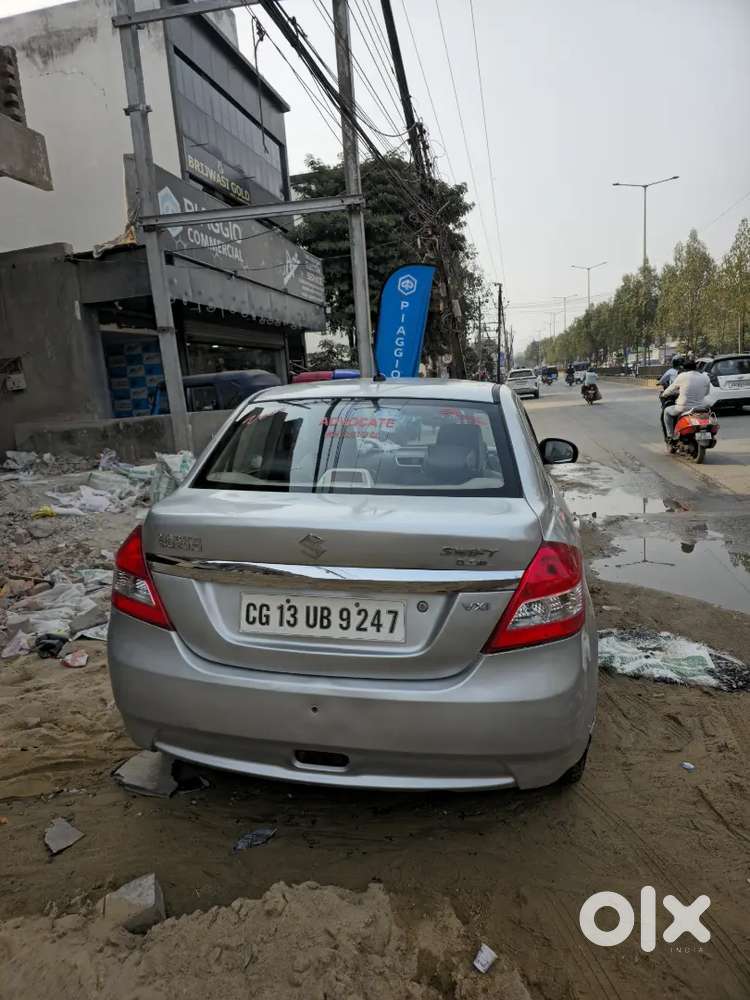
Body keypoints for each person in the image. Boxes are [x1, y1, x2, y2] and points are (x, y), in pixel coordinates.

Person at [660, 359, 711, 439]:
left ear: (684, 368)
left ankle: (671, 436)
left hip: (683, 408)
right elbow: (706, 393)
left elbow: (671, 389)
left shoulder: (682, 376)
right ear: (696, 367)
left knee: (666, 411)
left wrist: (663, 394)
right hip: (701, 407)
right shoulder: (705, 377)